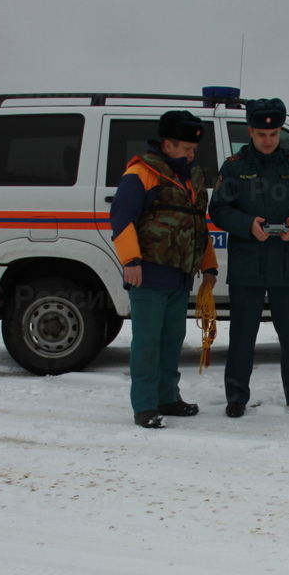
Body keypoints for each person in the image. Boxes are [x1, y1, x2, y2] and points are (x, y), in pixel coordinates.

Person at [209, 98, 289, 418]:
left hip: (286, 261)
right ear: (250, 132)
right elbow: (218, 209)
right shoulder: (234, 167)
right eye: (261, 134)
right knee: (242, 336)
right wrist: (247, 225)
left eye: (273, 134)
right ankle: (236, 397)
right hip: (247, 263)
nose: (268, 140)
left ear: (280, 132)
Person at [111, 110, 218, 428]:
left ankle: (168, 397)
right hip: (149, 274)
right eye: (186, 148)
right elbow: (122, 218)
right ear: (167, 144)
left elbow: (198, 225)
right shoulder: (140, 173)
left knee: (172, 341)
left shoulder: (193, 177)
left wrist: (208, 266)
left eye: (194, 149)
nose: (191, 154)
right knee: (147, 343)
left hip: (180, 276)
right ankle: (145, 406)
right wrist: (131, 261)